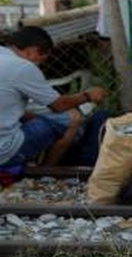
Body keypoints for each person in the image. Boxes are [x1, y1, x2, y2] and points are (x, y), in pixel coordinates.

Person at [1, 26, 107, 168]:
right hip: (4, 152)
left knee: (34, 117)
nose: (39, 64)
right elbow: (58, 105)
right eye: (41, 59)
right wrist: (88, 95)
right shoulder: (23, 67)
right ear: (31, 51)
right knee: (71, 119)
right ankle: (47, 170)